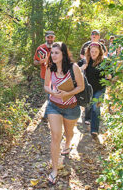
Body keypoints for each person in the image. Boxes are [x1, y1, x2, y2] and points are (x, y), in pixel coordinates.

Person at [44, 42, 84, 185]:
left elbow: (81, 86)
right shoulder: (50, 67)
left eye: (56, 53)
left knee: (69, 133)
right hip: (54, 106)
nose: (53, 56)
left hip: (71, 107)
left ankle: (67, 145)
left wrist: (67, 93)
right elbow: (46, 86)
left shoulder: (73, 68)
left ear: (64, 54)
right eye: (52, 53)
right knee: (55, 136)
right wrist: (53, 92)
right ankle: (54, 170)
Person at [79, 42, 111, 138]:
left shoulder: (105, 61)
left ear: (100, 52)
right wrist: (81, 68)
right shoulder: (85, 61)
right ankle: (87, 118)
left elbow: (112, 72)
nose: (93, 53)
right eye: (92, 51)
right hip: (88, 88)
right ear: (89, 51)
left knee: (96, 107)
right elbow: (74, 70)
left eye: (95, 52)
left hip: (100, 88)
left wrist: (109, 75)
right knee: (88, 106)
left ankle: (94, 130)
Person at [34, 31, 55, 120]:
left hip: (56, 76)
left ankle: (50, 115)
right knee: (49, 96)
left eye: (51, 37)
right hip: (45, 76)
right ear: (45, 38)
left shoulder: (57, 47)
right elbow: (34, 61)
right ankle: (47, 116)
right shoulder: (41, 48)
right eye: (48, 37)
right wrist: (40, 62)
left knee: (53, 96)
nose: (50, 39)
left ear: (54, 38)